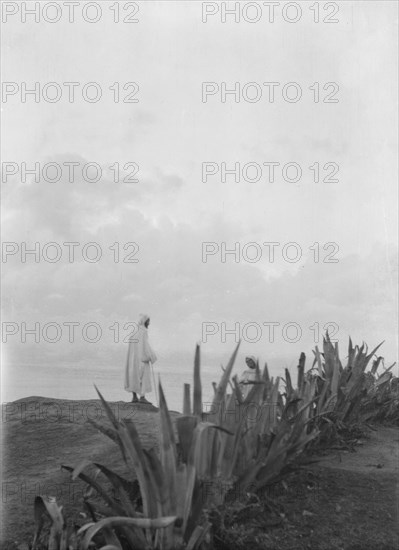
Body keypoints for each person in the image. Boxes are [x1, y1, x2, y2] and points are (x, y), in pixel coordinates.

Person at [124, 313, 157, 404]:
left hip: (133, 360)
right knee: (144, 376)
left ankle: (134, 397)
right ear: (145, 321)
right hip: (142, 359)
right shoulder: (143, 331)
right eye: (148, 321)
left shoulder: (135, 332)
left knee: (133, 376)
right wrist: (151, 356)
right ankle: (142, 397)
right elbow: (145, 346)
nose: (149, 323)